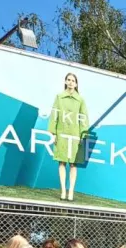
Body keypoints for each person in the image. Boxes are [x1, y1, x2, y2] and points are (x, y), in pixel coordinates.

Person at [49, 72, 88, 201]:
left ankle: (71, 190)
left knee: (73, 164)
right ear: (65, 81)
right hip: (62, 132)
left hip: (75, 134)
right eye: (68, 80)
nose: (71, 82)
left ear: (76, 84)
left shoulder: (80, 99)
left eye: (73, 80)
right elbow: (55, 115)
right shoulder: (59, 97)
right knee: (61, 161)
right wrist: (53, 133)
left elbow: (84, 118)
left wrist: (84, 135)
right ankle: (63, 191)